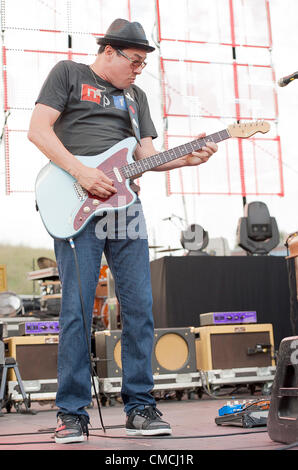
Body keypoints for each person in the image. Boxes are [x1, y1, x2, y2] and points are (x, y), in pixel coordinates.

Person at [28, 18, 218, 444]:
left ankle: (140, 407)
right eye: (133, 61)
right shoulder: (68, 74)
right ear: (108, 51)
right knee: (77, 311)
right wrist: (83, 173)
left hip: (126, 210)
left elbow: (147, 155)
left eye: (143, 64)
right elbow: (38, 130)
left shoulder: (136, 97)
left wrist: (186, 159)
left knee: (140, 309)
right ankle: (71, 414)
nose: (138, 70)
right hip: (76, 202)